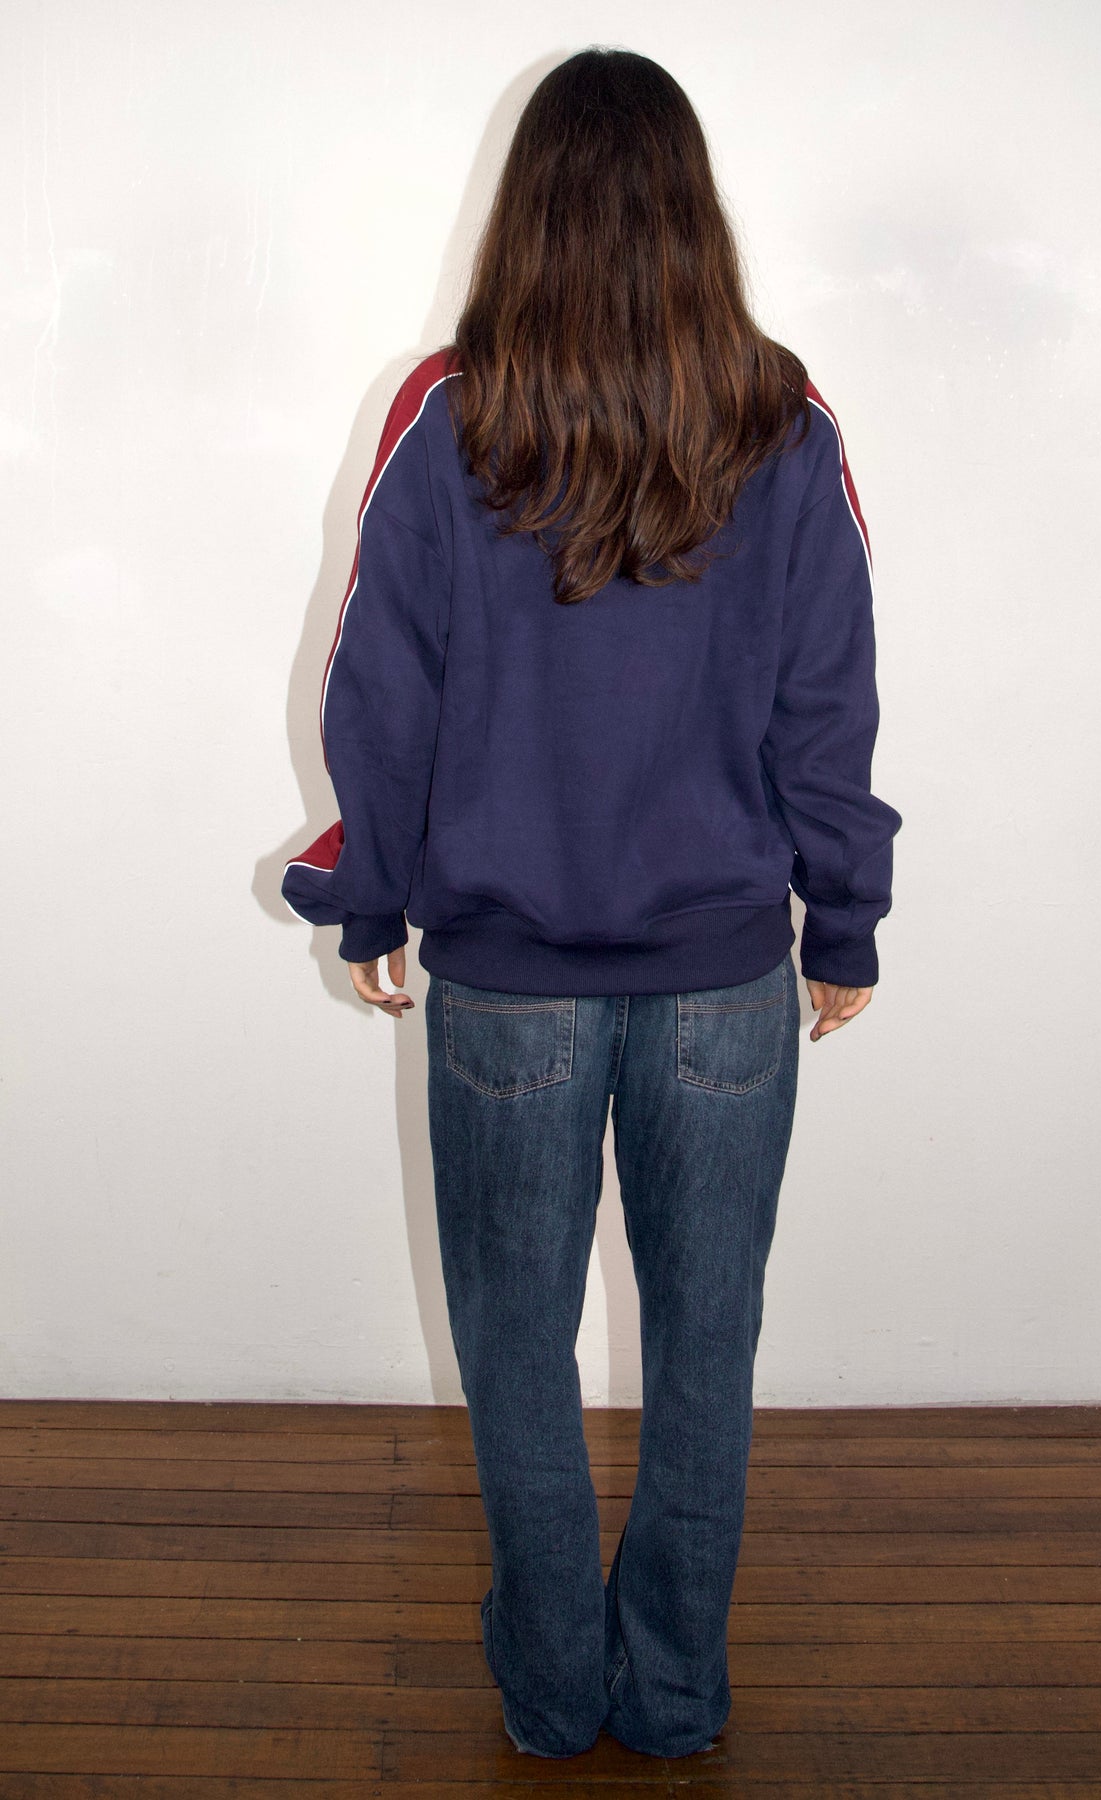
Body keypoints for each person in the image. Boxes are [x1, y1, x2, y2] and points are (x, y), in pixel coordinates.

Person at [281, 45, 902, 1762]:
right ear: (694, 209)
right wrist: (844, 921)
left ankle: (554, 1694)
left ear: (528, 209)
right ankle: (675, 1692)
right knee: (709, 1353)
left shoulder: (452, 413)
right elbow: (831, 704)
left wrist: (374, 900)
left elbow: (378, 690)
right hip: (725, 985)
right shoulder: (782, 418)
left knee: (515, 1352)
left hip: (509, 987)